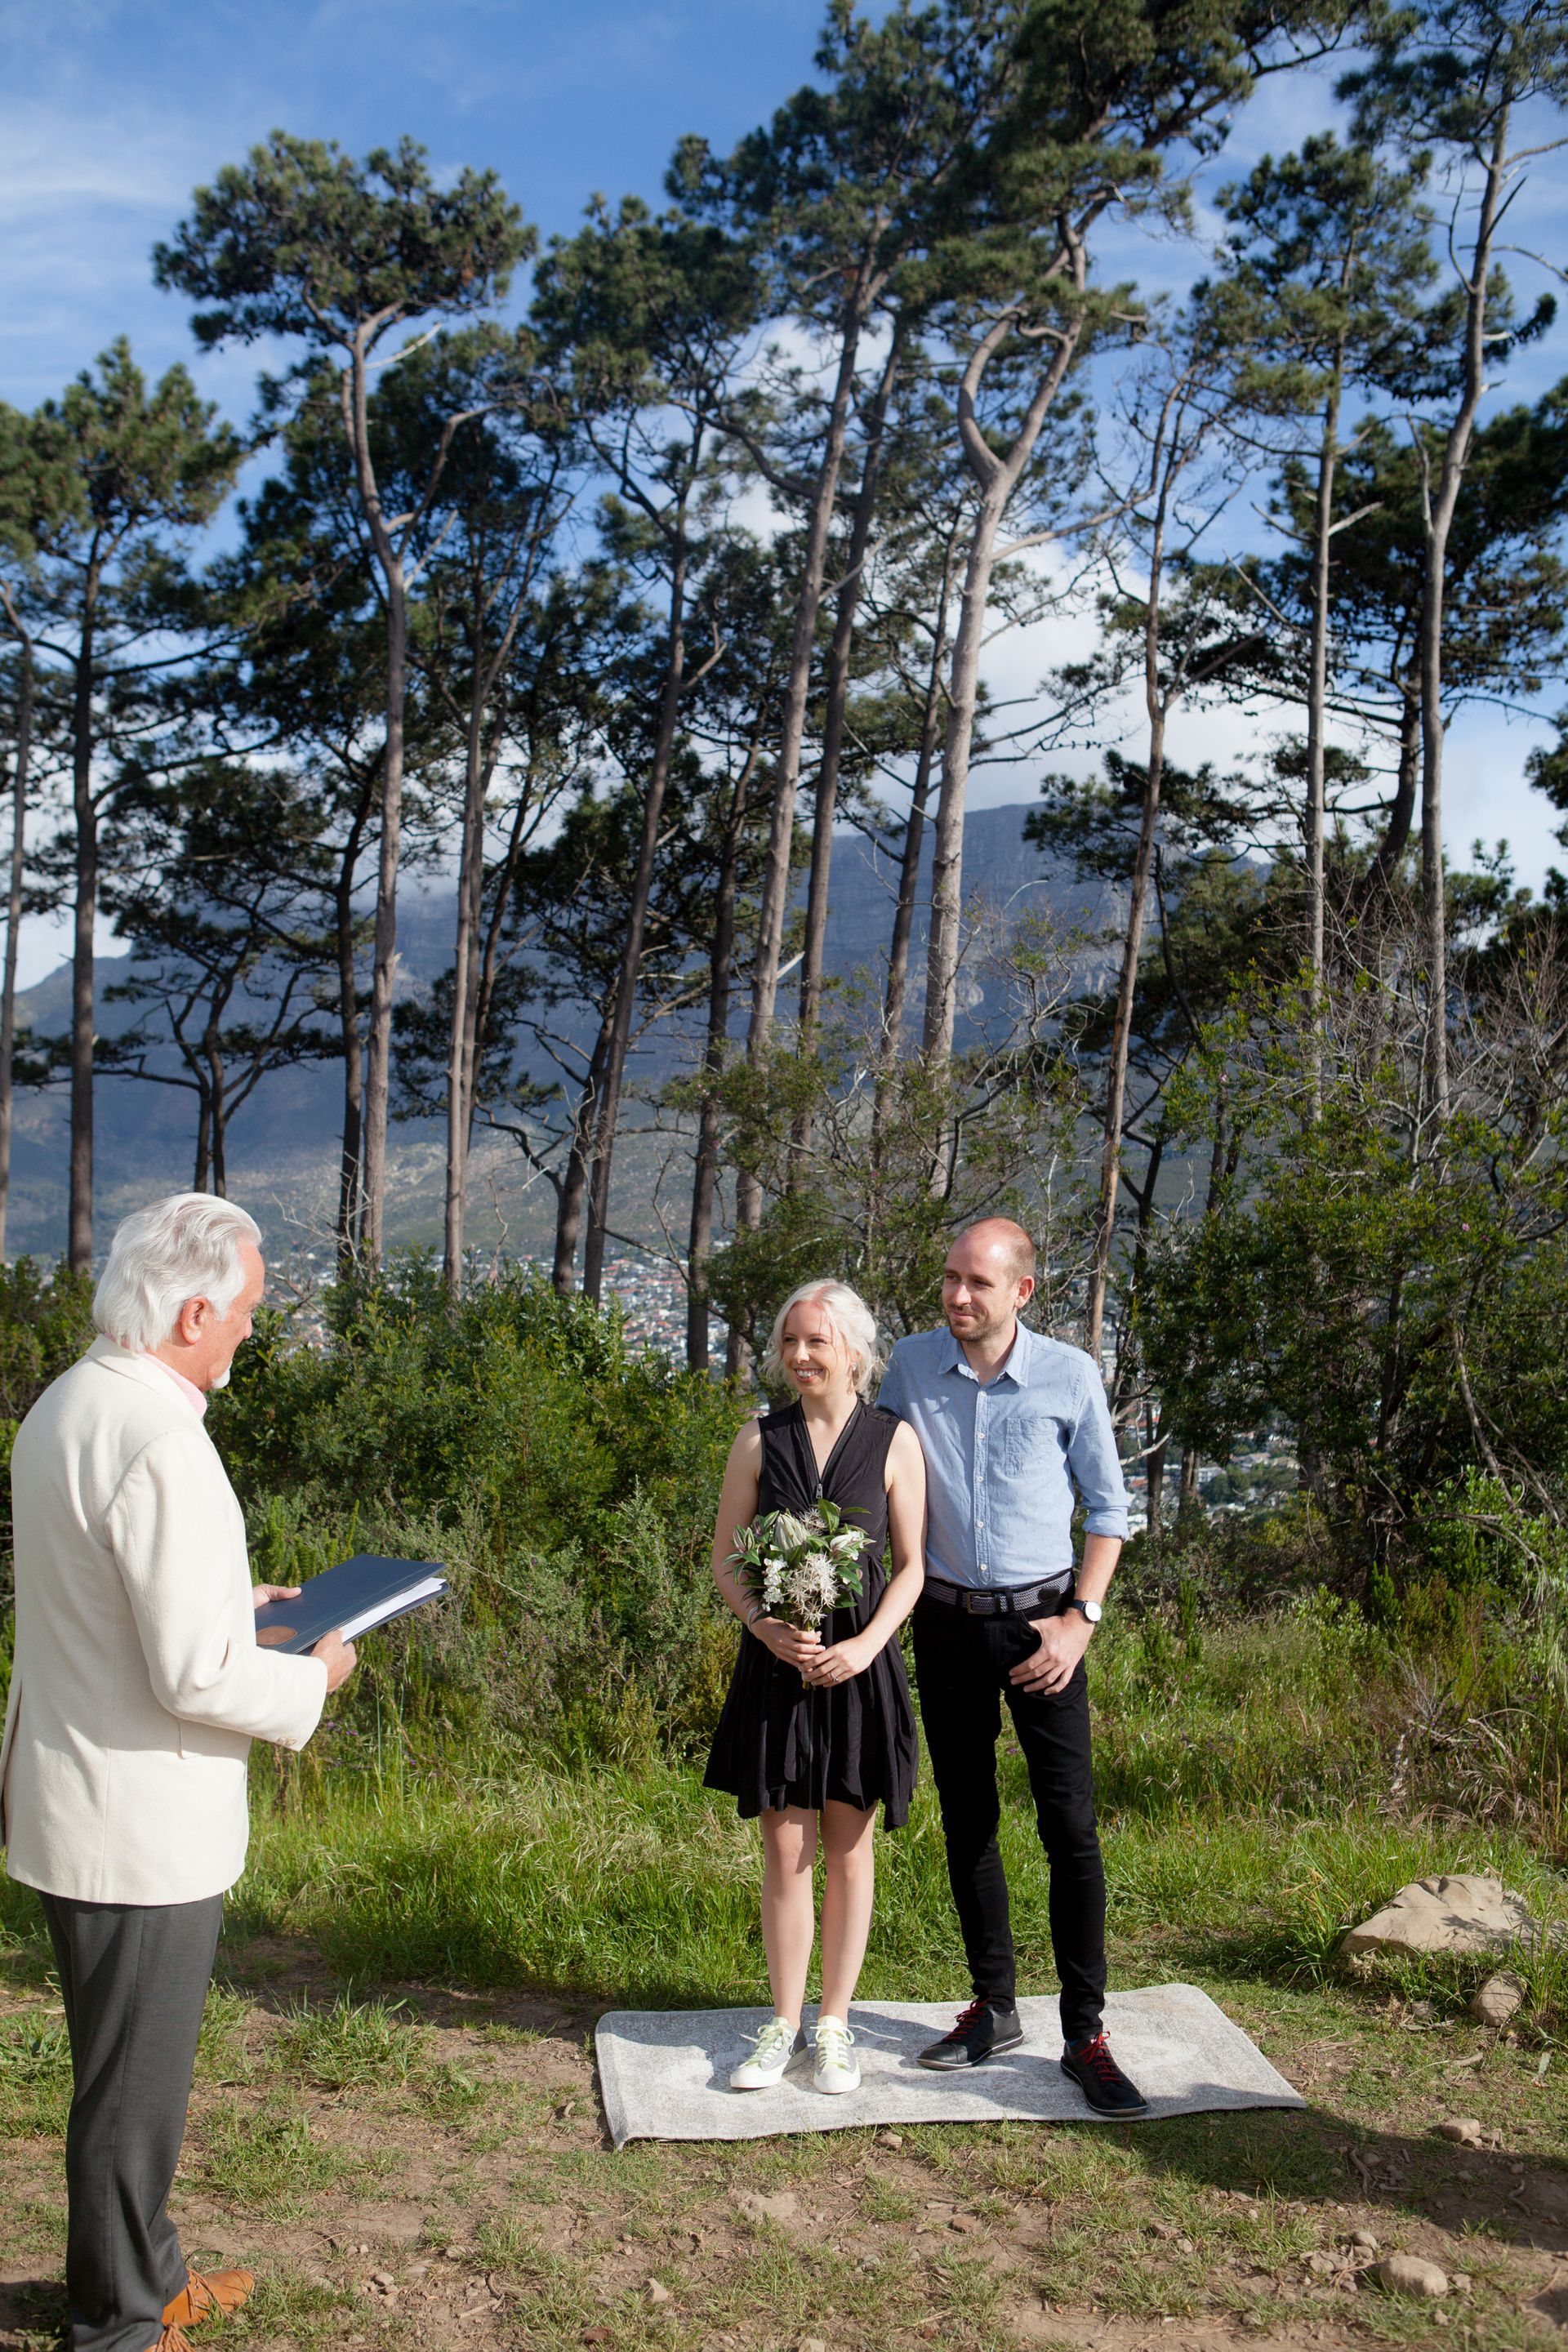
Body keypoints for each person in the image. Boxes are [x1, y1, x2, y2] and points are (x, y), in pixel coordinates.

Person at [0, 1194, 358, 2352]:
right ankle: (121, 2329)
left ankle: (143, 2273)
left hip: (76, 1789)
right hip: (135, 1816)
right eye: (248, 1311)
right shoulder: (164, 1436)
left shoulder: (72, 1401)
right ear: (194, 1309)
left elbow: (103, 1596)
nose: (253, 1331)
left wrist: (226, 1606)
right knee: (130, 2096)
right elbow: (196, 1679)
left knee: (126, 2079)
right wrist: (317, 1674)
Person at [877, 1217, 1147, 2117]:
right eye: (949, 1278)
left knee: (1070, 1829)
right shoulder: (911, 1367)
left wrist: (1080, 1622)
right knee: (969, 1822)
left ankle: (1086, 2035)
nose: (957, 1296)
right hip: (946, 1623)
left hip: (1044, 1629)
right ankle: (994, 2006)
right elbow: (864, 1463)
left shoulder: (1071, 1376)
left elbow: (1109, 1512)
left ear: (1022, 1292)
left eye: (977, 1283)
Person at [705, 1280, 925, 2096]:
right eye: (789, 1342)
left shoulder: (895, 1442)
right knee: (785, 1849)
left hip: (861, 1674)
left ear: (855, 1355)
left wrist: (867, 1646)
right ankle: (783, 2023)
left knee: (848, 1847)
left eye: (816, 1343)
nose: (798, 1357)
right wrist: (763, 1628)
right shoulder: (759, 1443)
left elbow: (912, 1568)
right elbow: (728, 1558)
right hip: (780, 1673)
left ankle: (836, 2025)